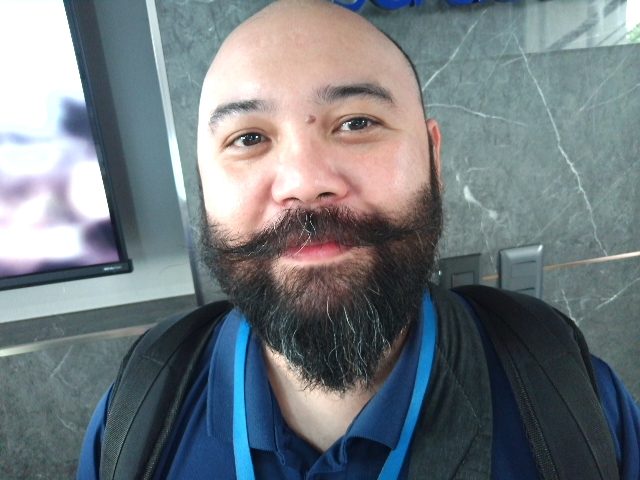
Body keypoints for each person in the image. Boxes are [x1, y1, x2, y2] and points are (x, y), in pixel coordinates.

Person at [77, 1, 640, 479]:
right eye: (248, 138)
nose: (305, 183)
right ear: (203, 188)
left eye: (356, 123)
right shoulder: (136, 417)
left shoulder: (573, 400)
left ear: (433, 157)